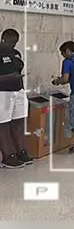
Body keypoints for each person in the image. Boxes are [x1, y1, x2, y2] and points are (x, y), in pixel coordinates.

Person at [0, 27, 34, 168]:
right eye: (11, 42)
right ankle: (8, 156)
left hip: (18, 91)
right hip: (3, 93)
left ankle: (21, 151)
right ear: (3, 39)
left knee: (19, 122)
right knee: (3, 124)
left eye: (15, 42)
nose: (13, 45)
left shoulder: (16, 54)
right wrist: (8, 77)